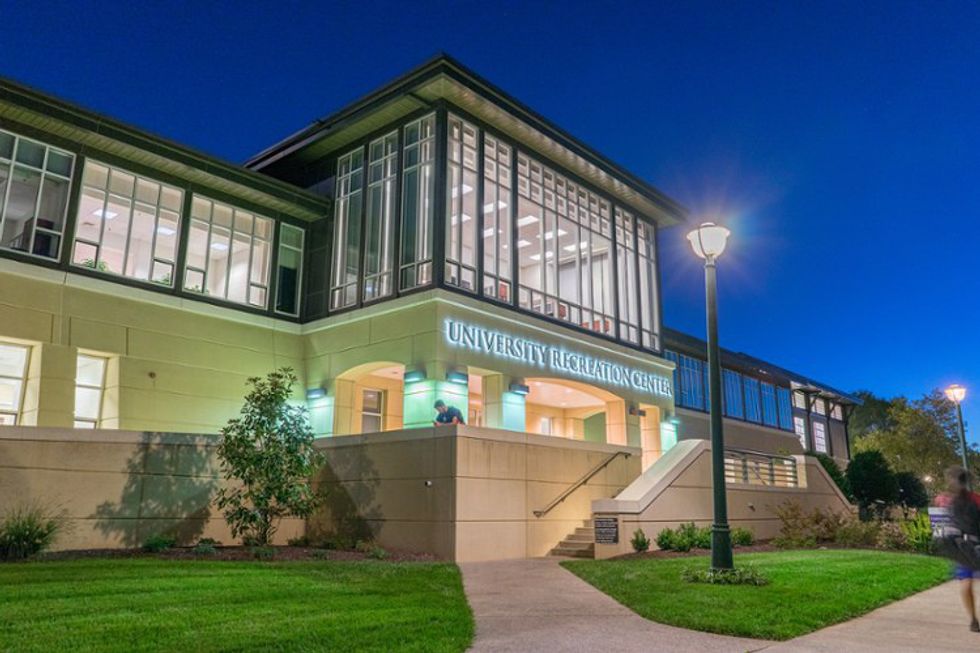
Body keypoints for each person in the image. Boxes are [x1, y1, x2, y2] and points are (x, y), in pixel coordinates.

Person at [935, 466, 980, 632]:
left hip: (962, 546)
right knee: (967, 582)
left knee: (966, 583)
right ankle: (973, 620)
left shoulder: (945, 500)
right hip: (972, 545)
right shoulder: (974, 499)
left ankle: (973, 619)